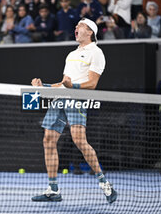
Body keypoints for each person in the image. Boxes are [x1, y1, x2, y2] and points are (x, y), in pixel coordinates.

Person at [30, 17, 117, 203]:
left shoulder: (96, 52)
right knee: (48, 139)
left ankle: (104, 183)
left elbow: (92, 84)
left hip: (77, 99)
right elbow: (63, 84)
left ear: (90, 32)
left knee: (79, 140)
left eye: (81, 25)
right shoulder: (71, 54)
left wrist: (73, 87)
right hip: (60, 99)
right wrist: (42, 85)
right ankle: (53, 189)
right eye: (76, 25)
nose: (76, 28)